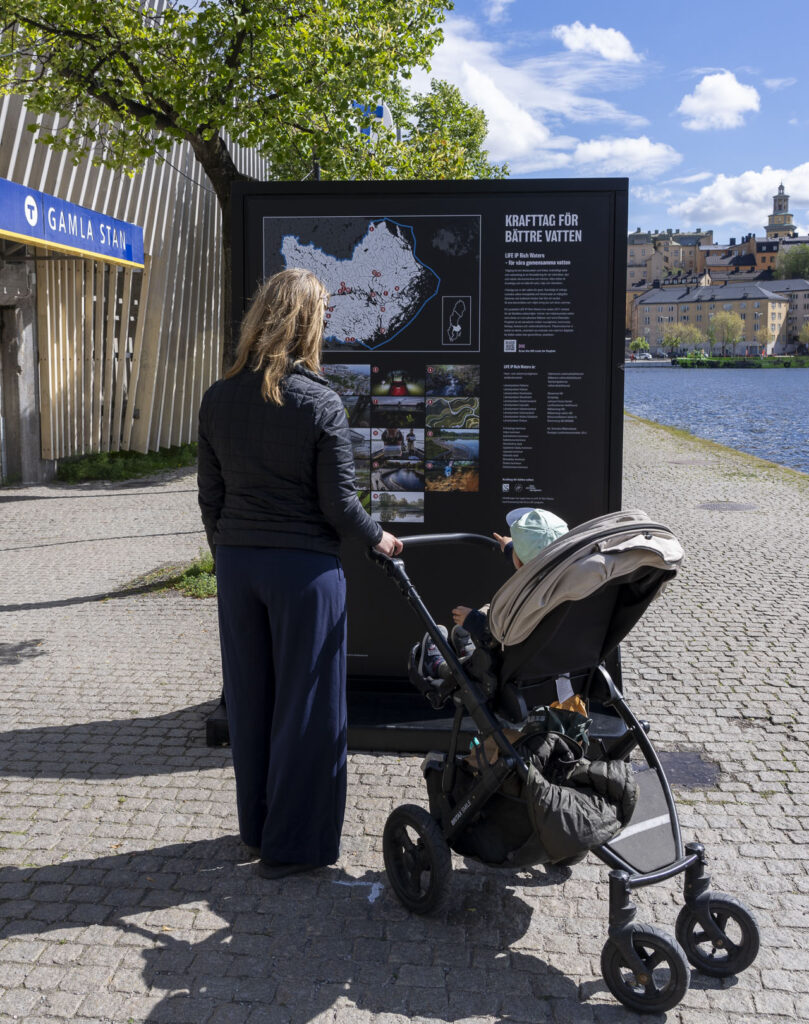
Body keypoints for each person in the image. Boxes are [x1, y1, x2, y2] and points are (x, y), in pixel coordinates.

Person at [197, 268, 402, 880]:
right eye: (326, 314)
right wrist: (381, 538)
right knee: (307, 711)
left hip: (238, 567)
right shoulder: (320, 402)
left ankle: (257, 829)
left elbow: (211, 497)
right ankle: (293, 848)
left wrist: (231, 550)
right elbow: (339, 504)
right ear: (309, 321)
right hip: (304, 574)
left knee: (251, 701)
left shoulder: (217, 396)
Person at [417, 507, 568, 680]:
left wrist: (474, 620)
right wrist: (512, 548)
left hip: (518, 670)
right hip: (564, 668)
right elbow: (540, 565)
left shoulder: (528, 602)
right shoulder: (570, 585)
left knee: (479, 665)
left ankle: (436, 666)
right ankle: (467, 650)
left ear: (518, 562)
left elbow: (508, 638)